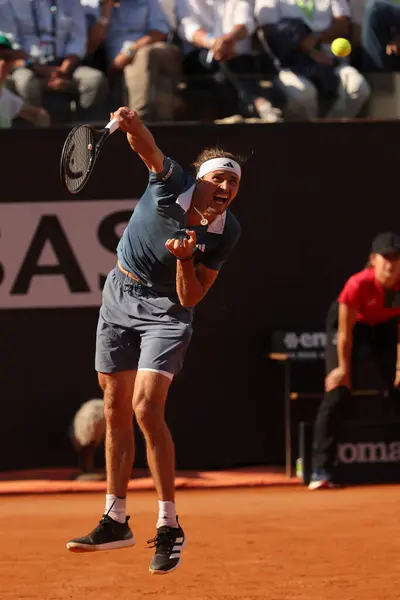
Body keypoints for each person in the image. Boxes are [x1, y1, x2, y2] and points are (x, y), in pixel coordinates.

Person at [66, 106, 242, 574]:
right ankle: (115, 518)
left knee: (146, 407)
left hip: (167, 311)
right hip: (119, 295)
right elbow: (146, 146)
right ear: (200, 180)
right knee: (113, 405)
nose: (225, 189)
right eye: (219, 179)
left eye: (233, 183)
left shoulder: (226, 232)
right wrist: (129, 121)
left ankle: (169, 526)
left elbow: (193, 297)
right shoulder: (171, 183)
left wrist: (185, 260)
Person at [309, 232, 400, 490]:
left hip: (384, 328)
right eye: (386, 258)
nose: (392, 264)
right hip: (350, 327)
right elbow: (345, 333)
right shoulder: (358, 284)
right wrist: (343, 369)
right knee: (338, 390)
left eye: (397, 258)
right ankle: (321, 469)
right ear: (373, 260)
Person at [255, 0, 371, 120]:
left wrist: (316, 37)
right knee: (303, 94)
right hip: (290, 67)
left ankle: (333, 129)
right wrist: (308, 51)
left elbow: (342, 25)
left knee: (359, 88)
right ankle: (310, 134)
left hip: (332, 63)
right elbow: (270, 32)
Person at [0, 0, 108, 123]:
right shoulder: (10, 3)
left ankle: (86, 134)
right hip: (26, 65)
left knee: (94, 80)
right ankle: (33, 134)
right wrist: (38, 68)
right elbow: (10, 45)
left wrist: (64, 68)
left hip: (64, 65)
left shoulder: (72, 3)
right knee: (25, 82)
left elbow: (78, 39)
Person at [175, 0, 283, 122]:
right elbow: (187, 27)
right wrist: (213, 43)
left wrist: (228, 40)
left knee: (227, 70)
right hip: (200, 58)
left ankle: (247, 107)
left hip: (238, 59)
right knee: (216, 66)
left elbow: (246, 22)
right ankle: (255, 101)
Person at [0, 32, 50, 128]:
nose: (2, 63)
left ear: (12, 62)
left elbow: (40, 115)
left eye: (7, 58)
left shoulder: (6, 97)